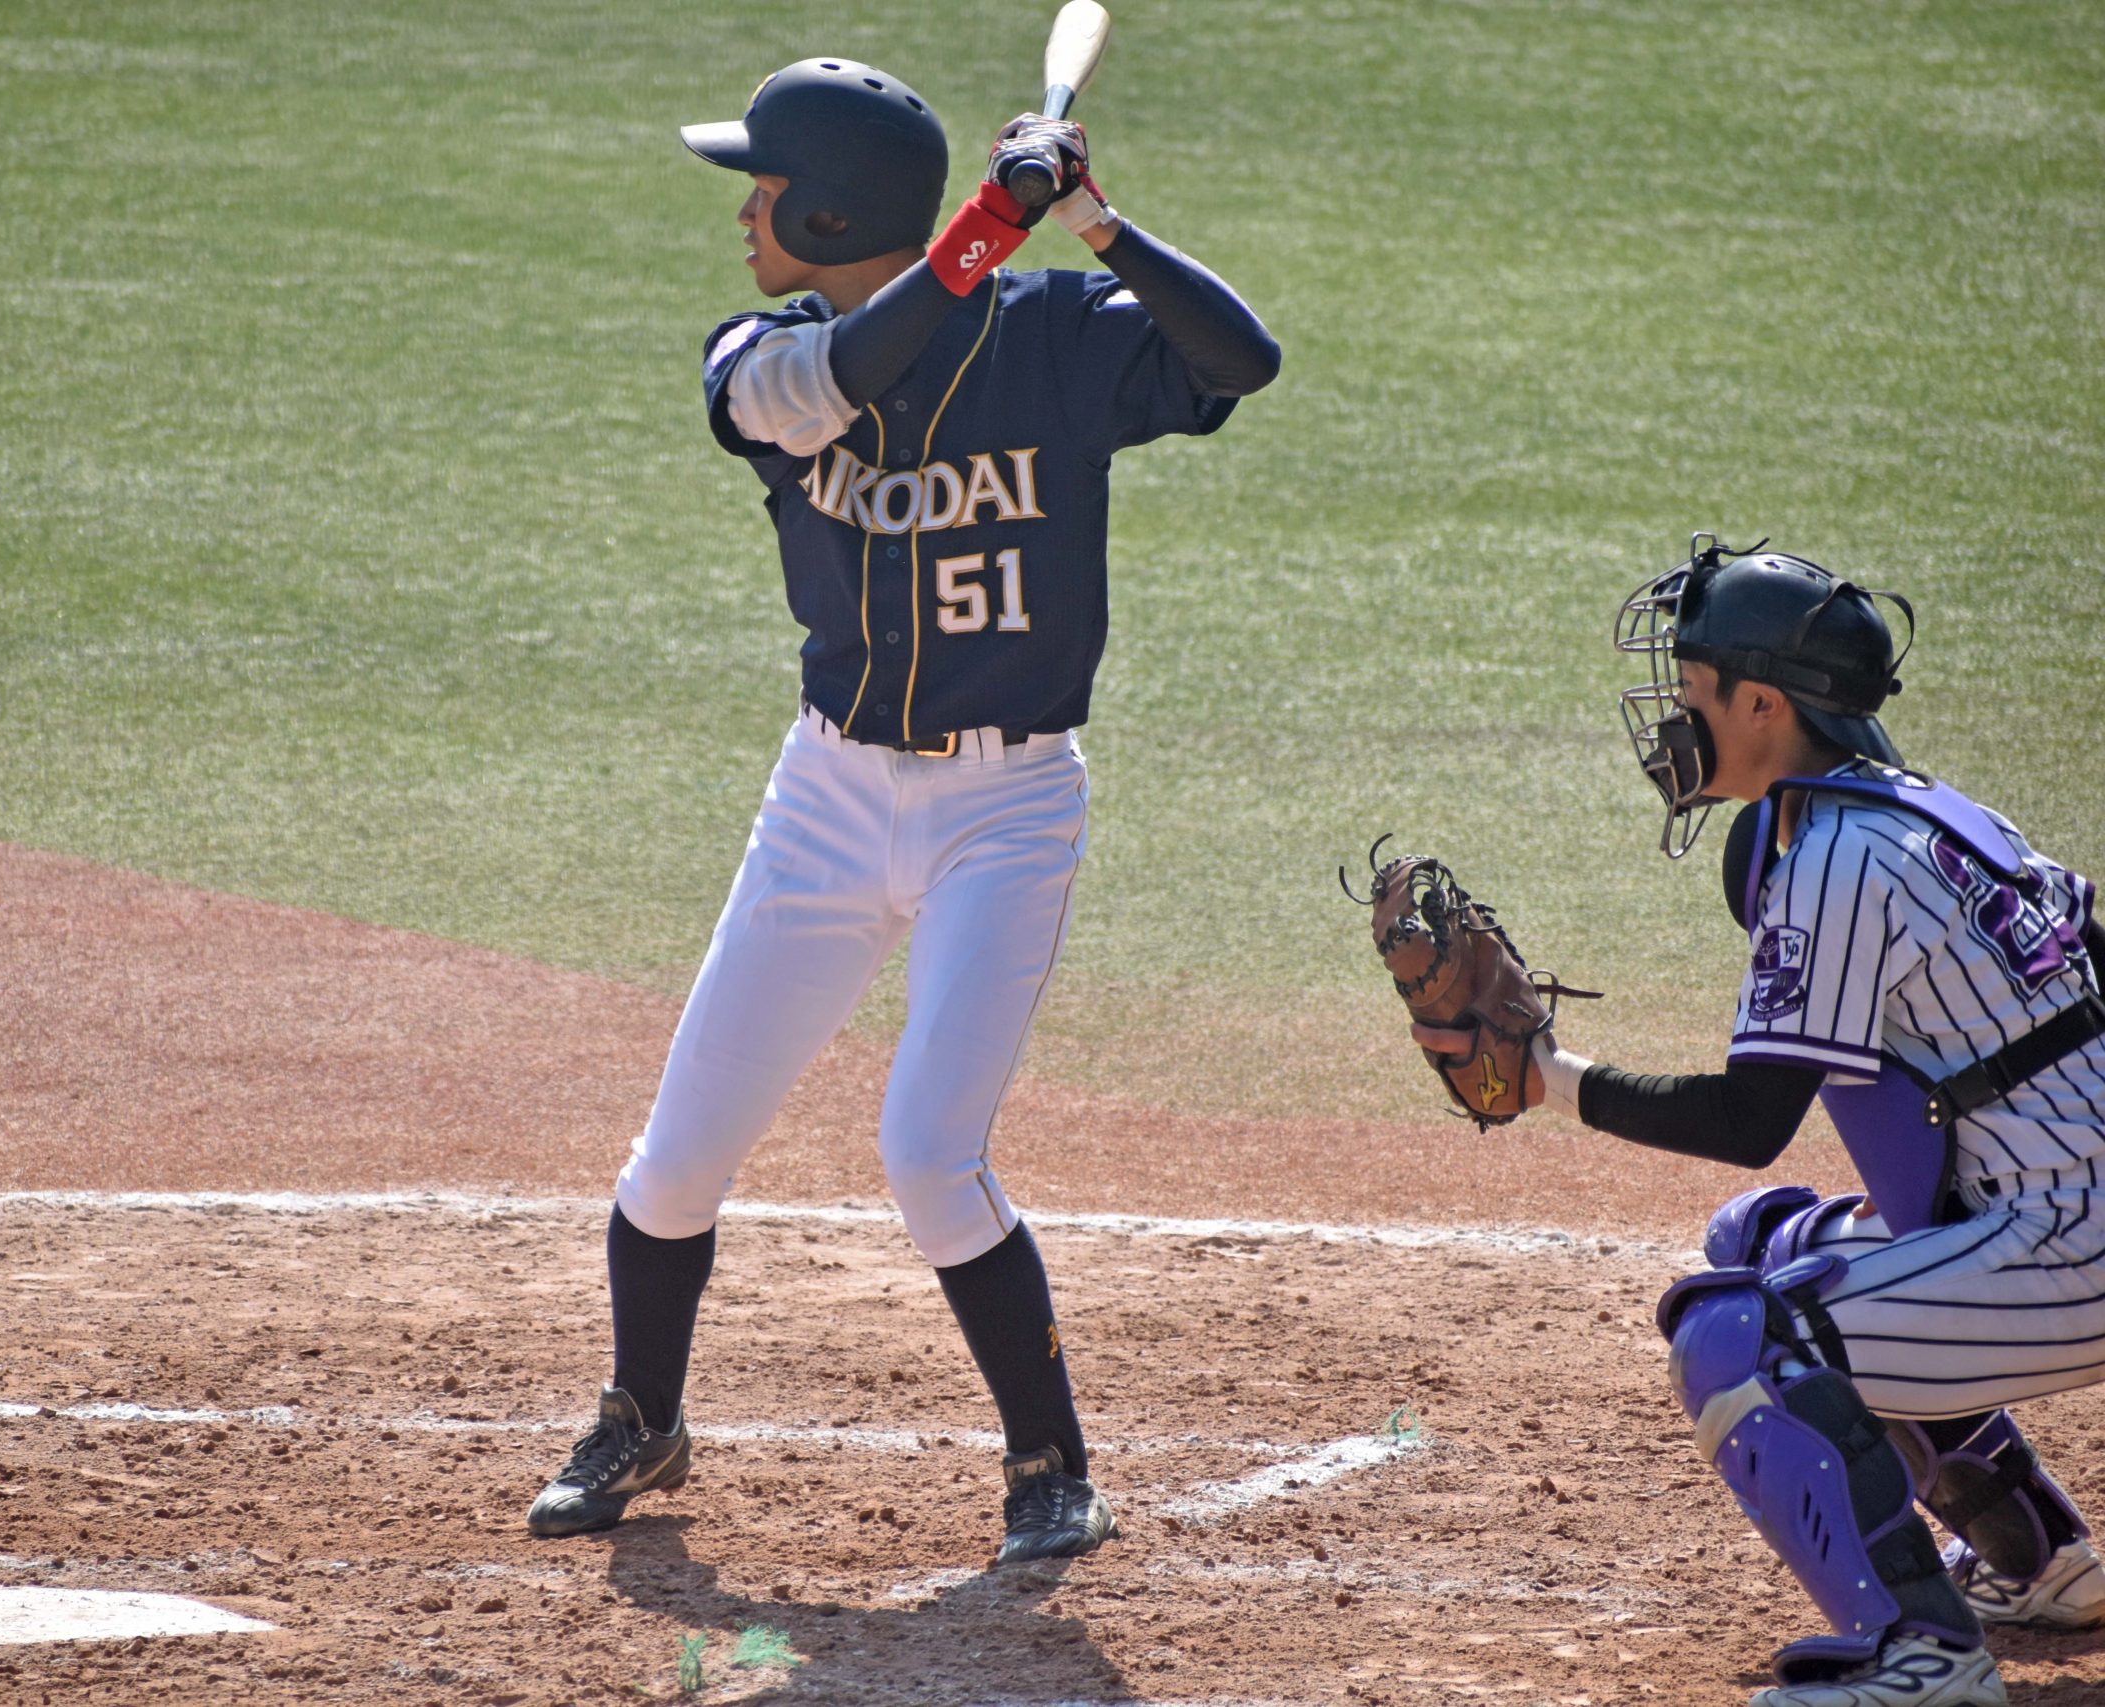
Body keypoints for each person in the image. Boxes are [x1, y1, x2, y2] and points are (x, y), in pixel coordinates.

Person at [524, 56, 1280, 1563]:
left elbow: (1240, 362)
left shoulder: (1055, 339)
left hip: (1006, 808)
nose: (745, 209)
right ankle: (642, 1410)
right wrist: (983, 234)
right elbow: (856, 377)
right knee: (675, 1158)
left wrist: (1097, 227)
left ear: (825, 202)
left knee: (930, 1149)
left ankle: (1050, 1462)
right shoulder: (763, 353)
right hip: (827, 792)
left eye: (763, 183)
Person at [1425, 536, 2105, 1706]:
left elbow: (1750, 1115)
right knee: (1767, 1241)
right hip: (2061, 1211)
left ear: (1760, 703)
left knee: (1744, 1341)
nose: (1671, 721)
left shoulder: (1836, 859)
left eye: (1690, 694)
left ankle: (1919, 1655)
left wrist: (1549, 1076)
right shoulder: (1936, 818)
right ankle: (2044, 1563)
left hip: (2071, 1249)